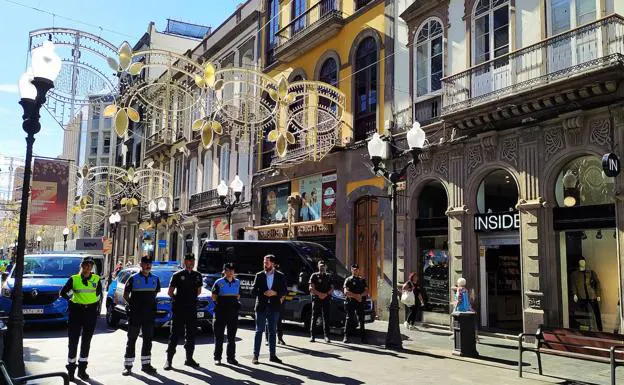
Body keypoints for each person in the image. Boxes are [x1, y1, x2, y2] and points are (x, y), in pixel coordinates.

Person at [59, 256, 102, 381]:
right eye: (85, 265)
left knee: (86, 342)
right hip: (76, 312)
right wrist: (72, 300)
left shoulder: (96, 278)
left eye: (90, 265)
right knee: (73, 342)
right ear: (81, 266)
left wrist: (95, 305)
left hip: (90, 313)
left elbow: (98, 292)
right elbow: (62, 292)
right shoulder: (74, 279)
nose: (88, 267)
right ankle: (71, 371)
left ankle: (82, 370)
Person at [164, 253, 203, 370]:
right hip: (179, 309)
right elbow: (170, 292)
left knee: (191, 335)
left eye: (193, 260)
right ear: (185, 261)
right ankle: (169, 361)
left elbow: (199, 291)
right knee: (175, 335)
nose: (191, 262)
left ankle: (189, 359)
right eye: (189, 260)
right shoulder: (177, 275)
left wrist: (190, 299)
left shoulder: (197, 275)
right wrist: (179, 300)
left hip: (191, 309)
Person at [122, 256, 160, 376]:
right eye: (145, 263)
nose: (148, 265)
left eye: (149, 263)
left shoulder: (155, 279)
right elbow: (125, 295)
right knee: (132, 339)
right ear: (141, 264)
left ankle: (146, 365)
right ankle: (128, 366)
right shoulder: (133, 278)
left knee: (148, 340)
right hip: (136, 314)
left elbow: (154, 294)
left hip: (149, 315)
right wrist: (133, 306)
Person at [252, 254, 287, 365]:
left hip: (274, 307)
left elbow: (284, 291)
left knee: (272, 332)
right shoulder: (259, 275)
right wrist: (263, 293)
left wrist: (275, 293)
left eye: (266, 262)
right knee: (259, 331)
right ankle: (255, 356)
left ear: (272, 263)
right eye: (264, 262)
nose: (264, 264)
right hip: (261, 307)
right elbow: (253, 291)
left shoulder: (280, 276)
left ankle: (272, 355)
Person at [212, 263, 241, 365]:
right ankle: (217, 357)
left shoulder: (237, 282)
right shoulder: (218, 282)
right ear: (224, 271)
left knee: (231, 337)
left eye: (232, 270)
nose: (230, 272)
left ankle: (231, 357)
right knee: (219, 336)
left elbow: (238, 295)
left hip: (233, 313)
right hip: (221, 313)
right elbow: (214, 297)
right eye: (228, 270)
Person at [343, 264, 368, 343]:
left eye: (357, 269)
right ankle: (346, 337)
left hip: (360, 302)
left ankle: (363, 338)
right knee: (349, 319)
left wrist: (360, 295)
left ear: (359, 270)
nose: (355, 271)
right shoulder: (348, 280)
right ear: (351, 270)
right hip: (351, 302)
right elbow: (346, 292)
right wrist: (356, 296)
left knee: (361, 320)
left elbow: (366, 291)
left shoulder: (362, 280)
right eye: (354, 269)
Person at [309, 260, 332, 343]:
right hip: (316, 299)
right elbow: (311, 288)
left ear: (325, 267)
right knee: (314, 317)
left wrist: (325, 294)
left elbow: (332, 288)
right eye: (320, 265)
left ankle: (326, 336)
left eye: (323, 266)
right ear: (318, 266)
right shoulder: (314, 276)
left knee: (326, 318)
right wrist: (320, 294)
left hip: (326, 299)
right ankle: (313, 336)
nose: (322, 267)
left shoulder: (329, 276)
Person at [266, 261, 286, 346]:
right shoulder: (266, 275)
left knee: (279, 321)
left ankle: (280, 338)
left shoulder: (280, 276)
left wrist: (282, 298)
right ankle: (267, 339)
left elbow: (284, 289)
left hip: (278, 301)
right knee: (268, 321)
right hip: (269, 301)